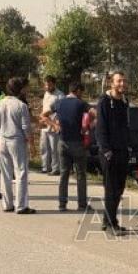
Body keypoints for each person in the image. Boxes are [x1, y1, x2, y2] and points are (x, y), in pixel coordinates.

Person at [43, 82, 94, 212]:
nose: (81, 95)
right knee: (81, 175)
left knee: (64, 174)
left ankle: (62, 204)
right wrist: (88, 126)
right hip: (77, 142)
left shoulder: (59, 102)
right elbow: (95, 113)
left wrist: (55, 126)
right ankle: (82, 205)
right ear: (77, 90)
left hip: (62, 142)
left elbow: (43, 115)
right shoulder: (81, 103)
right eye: (81, 92)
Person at [0, 77, 34, 214]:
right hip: (17, 141)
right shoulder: (21, 106)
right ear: (20, 89)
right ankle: (21, 206)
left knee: (5, 174)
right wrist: (32, 144)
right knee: (21, 173)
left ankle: (7, 204)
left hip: (3, 140)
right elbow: (26, 127)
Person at [95, 71, 131, 234]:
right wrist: (106, 150)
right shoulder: (104, 101)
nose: (122, 84)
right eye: (119, 81)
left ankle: (108, 220)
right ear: (112, 83)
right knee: (111, 189)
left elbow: (125, 127)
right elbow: (100, 129)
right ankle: (111, 224)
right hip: (109, 153)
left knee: (119, 188)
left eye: (124, 81)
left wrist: (128, 146)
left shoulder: (124, 102)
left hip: (122, 150)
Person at [39, 75, 64, 176]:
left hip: (53, 124)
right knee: (44, 147)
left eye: (49, 85)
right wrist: (41, 120)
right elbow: (44, 108)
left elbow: (61, 111)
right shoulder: (46, 94)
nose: (47, 87)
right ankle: (45, 167)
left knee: (54, 148)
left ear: (54, 84)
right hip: (45, 124)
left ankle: (55, 168)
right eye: (46, 85)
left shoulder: (60, 95)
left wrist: (56, 123)